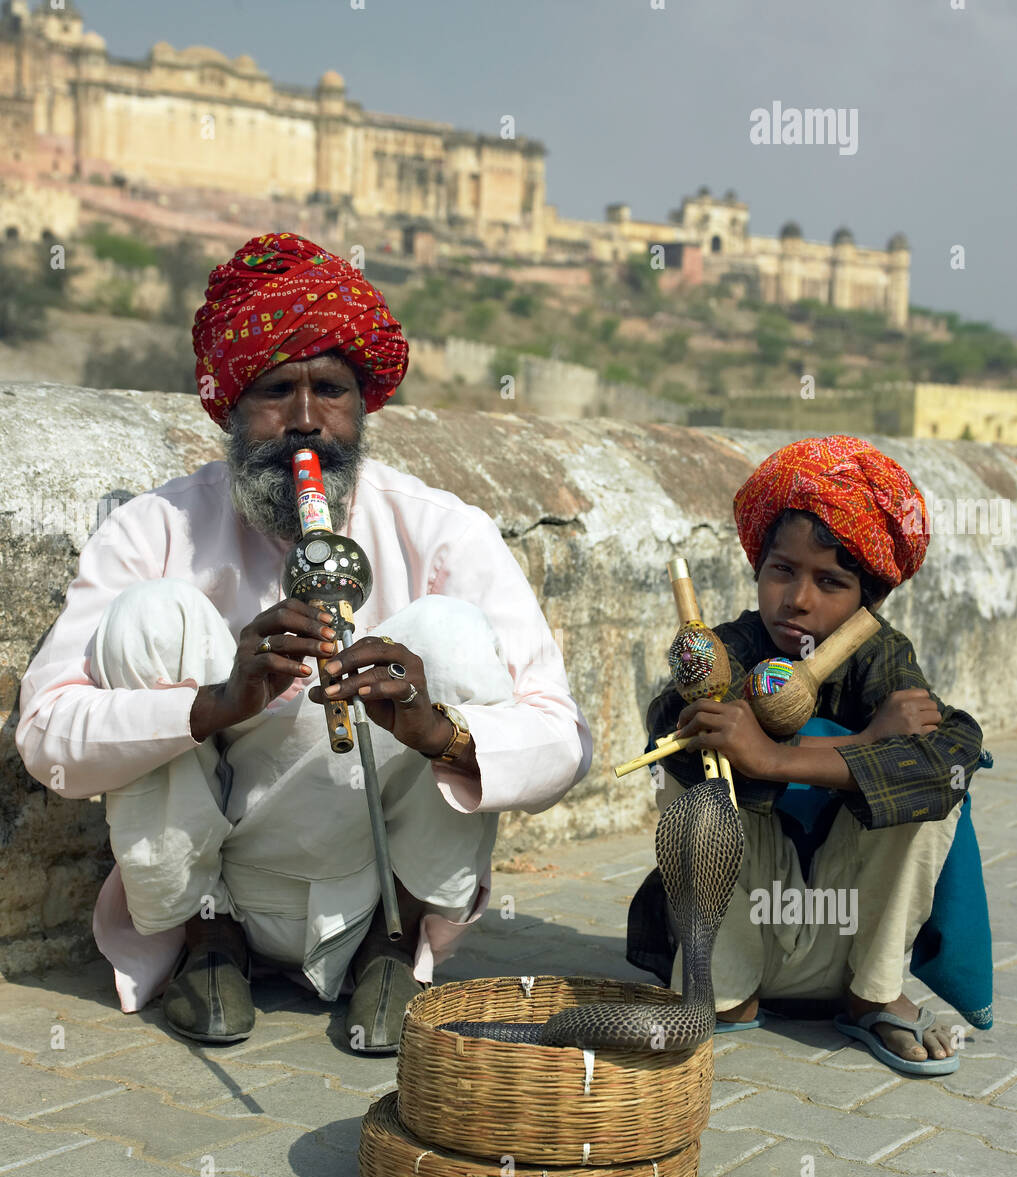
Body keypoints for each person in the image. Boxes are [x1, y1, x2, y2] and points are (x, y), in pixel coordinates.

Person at [16, 231, 592, 1052]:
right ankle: (206, 944)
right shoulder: (156, 527)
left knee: (448, 635)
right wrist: (214, 705)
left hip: (374, 884)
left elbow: (562, 740)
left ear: (362, 408)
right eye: (275, 392)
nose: (305, 423)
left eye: (330, 391)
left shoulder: (440, 530)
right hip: (216, 889)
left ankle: (390, 945)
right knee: (149, 615)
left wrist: (440, 732)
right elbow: (46, 738)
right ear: (232, 406)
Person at [631, 435, 985, 1076]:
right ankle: (728, 996)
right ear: (759, 572)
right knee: (691, 780)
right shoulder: (728, 648)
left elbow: (952, 752)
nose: (797, 600)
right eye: (782, 571)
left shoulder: (883, 657)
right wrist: (861, 741)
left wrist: (773, 759)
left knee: (934, 790)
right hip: (748, 937)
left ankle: (872, 995)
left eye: (830, 582)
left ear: (865, 603)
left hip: (843, 937)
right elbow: (669, 731)